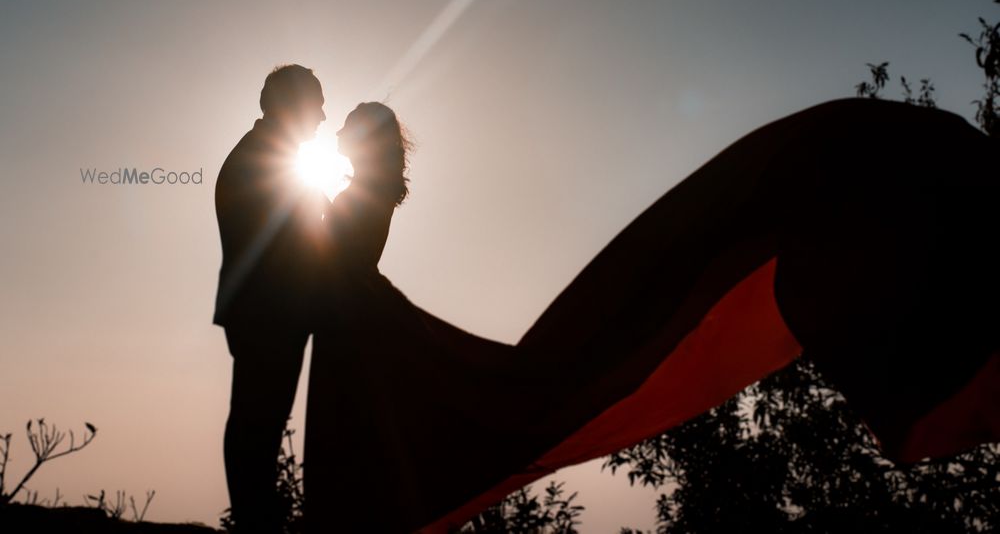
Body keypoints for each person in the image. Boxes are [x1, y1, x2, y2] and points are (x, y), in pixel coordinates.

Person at [304, 97, 998, 533]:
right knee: (384, 429)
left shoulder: (360, 197)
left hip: (358, 320)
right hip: (361, 317)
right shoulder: (372, 191)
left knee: (383, 429)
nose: (337, 136)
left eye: (346, 130)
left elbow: (331, 258)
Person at [214, 64, 330, 533]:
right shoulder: (262, 162)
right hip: (270, 310)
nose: (323, 116)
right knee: (256, 421)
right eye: (316, 104)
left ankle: (255, 517)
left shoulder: (271, 158)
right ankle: (254, 520)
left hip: (272, 309)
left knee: (259, 419)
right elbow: (295, 245)